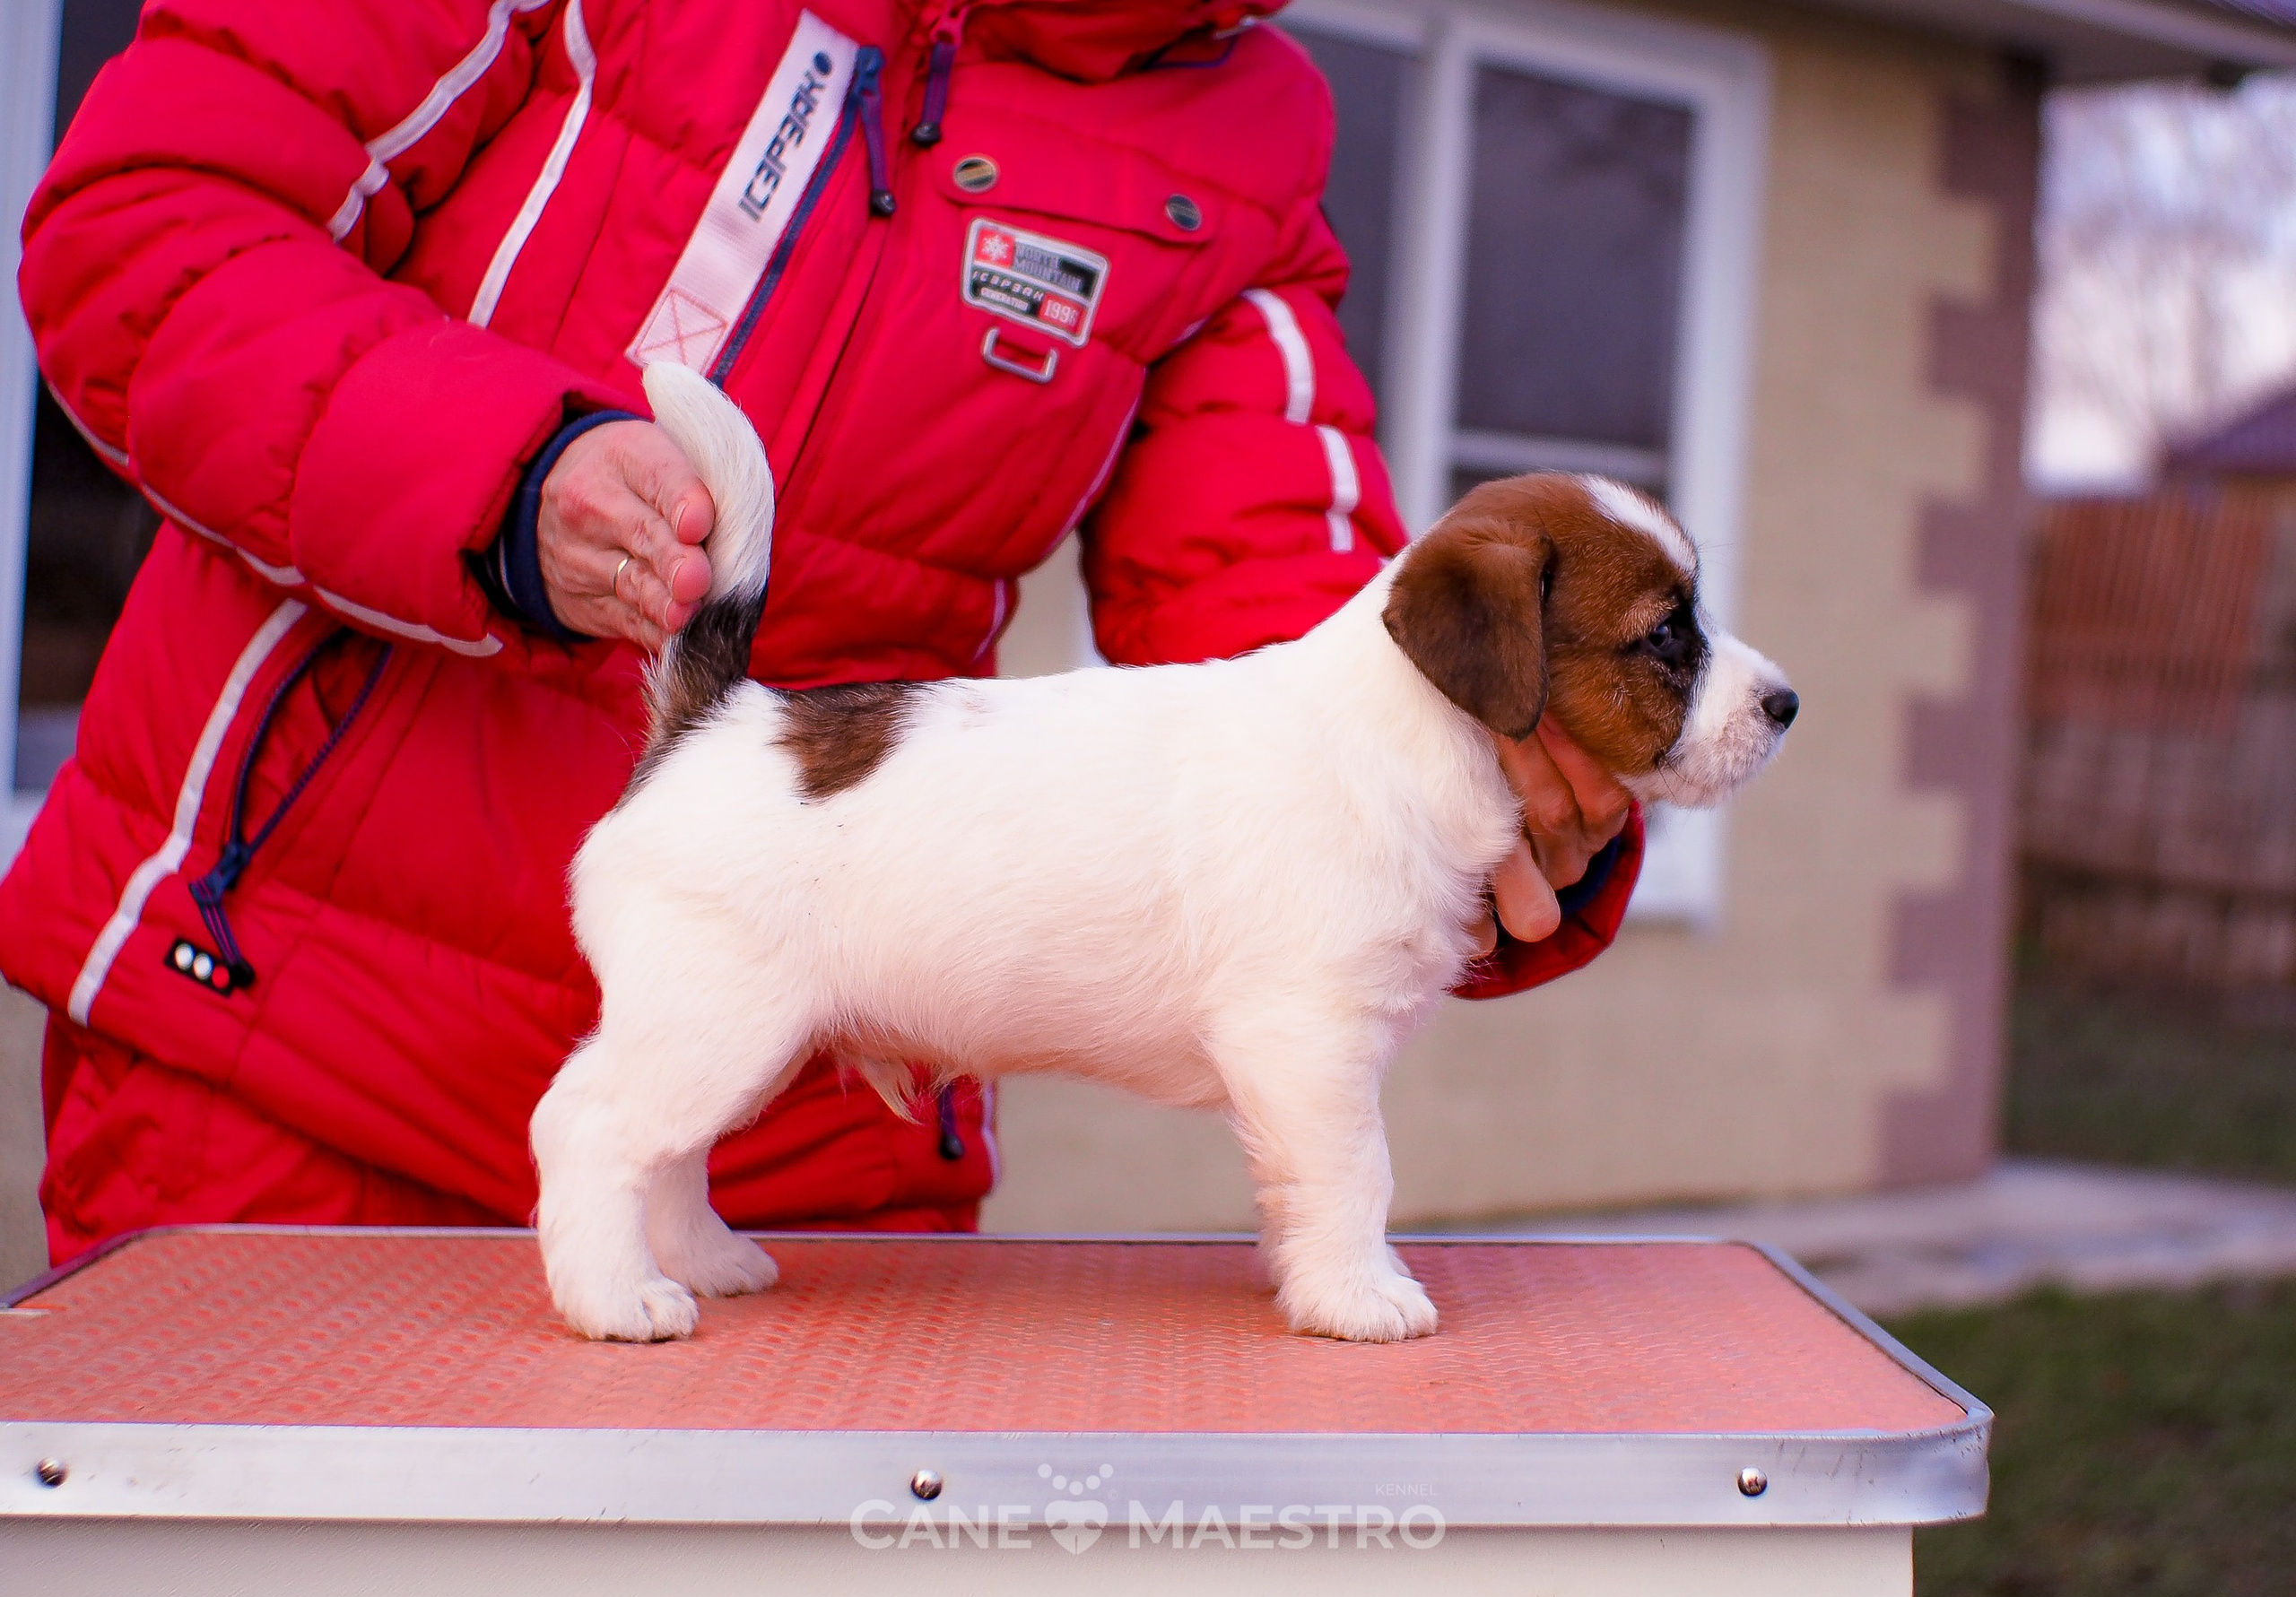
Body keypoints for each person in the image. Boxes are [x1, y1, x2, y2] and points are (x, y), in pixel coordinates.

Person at [4, 0, 1640, 1266]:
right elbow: (151, 223)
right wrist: (499, 470)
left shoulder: (1248, 124)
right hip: (279, 1045)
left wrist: (1478, 765)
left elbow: (1271, 578)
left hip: (825, 1138)